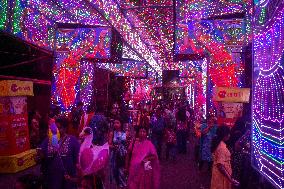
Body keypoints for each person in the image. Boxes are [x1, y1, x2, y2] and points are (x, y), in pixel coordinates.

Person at [39, 117, 80, 189]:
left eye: (58, 128)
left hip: (67, 178)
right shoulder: (48, 140)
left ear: (65, 128)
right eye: (53, 128)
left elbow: (78, 160)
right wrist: (39, 156)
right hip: (51, 179)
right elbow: (41, 154)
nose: (55, 130)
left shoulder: (73, 140)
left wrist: (76, 178)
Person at [108, 118, 128, 189]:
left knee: (122, 172)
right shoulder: (112, 133)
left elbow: (127, 144)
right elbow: (109, 144)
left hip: (123, 155)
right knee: (115, 172)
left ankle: (122, 186)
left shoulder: (125, 133)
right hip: (114, 156)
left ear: (121, 124)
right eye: (114, 123)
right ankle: (117, 186)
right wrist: (113, 147)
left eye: (117, 123)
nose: (115, 124)